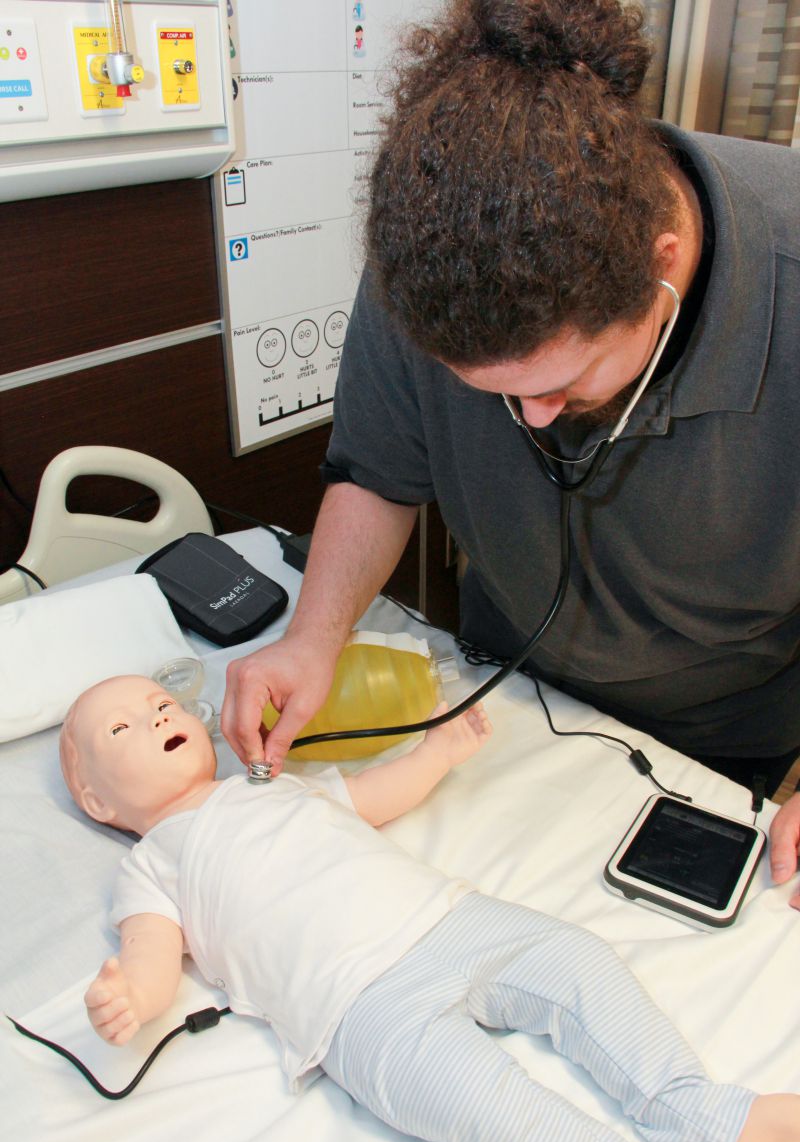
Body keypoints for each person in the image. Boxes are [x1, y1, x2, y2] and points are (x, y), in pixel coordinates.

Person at [220, 0, 800, 906]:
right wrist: (312, 638)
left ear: (663, 263)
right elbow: (377, 472)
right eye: (493, 392)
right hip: (508, 688)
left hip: (724, 726)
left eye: (563, 381)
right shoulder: (432, 261)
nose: (531, 420)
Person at [62, 674, 799, 1142]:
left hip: (449, 920)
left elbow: (367, 800)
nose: (158, 718)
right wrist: (130, 994)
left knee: (578, 962)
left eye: (161, 703)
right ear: (96, 800)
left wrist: (435, 757)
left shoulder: (266, 781)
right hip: (361, 1011)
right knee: (503, 1118)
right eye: (123, 728)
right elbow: (153, 957)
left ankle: (703, 1122)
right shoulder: (152, 866)